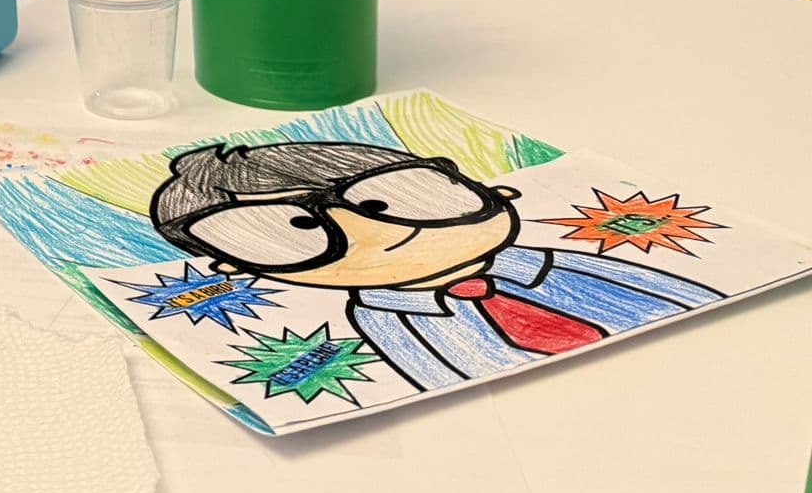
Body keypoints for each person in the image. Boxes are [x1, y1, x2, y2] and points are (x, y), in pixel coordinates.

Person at [148, 141, 720, 393]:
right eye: (295, 232)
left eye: (392, 198)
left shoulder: (560, 267)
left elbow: (678, 299)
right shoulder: (389, 323)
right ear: (235, 266)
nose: (376, 231)